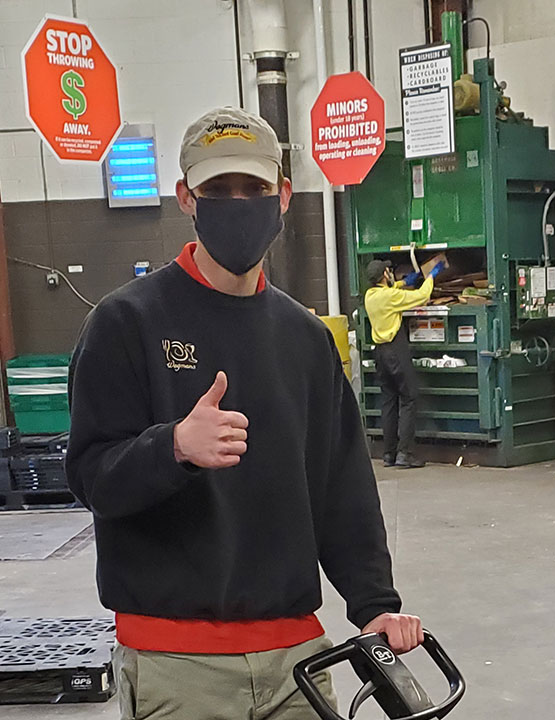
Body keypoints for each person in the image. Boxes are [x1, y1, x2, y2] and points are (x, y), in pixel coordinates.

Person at [66, 107, 423, 720]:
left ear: (283, 196)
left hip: (298, 664)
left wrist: (373, 604)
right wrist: (172, 447)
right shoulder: (125, 325)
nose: (238, 204)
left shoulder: (306, 339)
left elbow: (342, 487)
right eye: (217, 190)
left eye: (254, 189)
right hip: (177, 666)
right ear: (186, 197)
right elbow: (93, 478)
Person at [364, 259, 444, 469]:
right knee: (409, 397)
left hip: (380, 353)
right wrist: (430, 277)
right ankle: (405, 453)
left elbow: (391, 292)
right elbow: (421, 297)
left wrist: (404, 282)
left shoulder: (370, 296)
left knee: (389, 401)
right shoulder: (390, 297)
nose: (392, 274)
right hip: (395, 351)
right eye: (389, 271)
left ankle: (389, 453)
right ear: (384, 275)